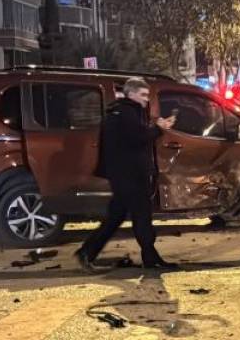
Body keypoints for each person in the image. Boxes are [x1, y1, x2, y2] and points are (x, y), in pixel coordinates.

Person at [75, 77, 176, 272]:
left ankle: (88, 252)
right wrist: (159, 129)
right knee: (141, 215)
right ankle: (149, 257)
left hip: (124, 175)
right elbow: (137, 139)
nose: (147, 99)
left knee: (118, 216)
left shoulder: (122, 112)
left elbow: (134, 137)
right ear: (131, 94)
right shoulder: (126, 113)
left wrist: (155, 128)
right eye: (143, 95)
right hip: (130, 175)